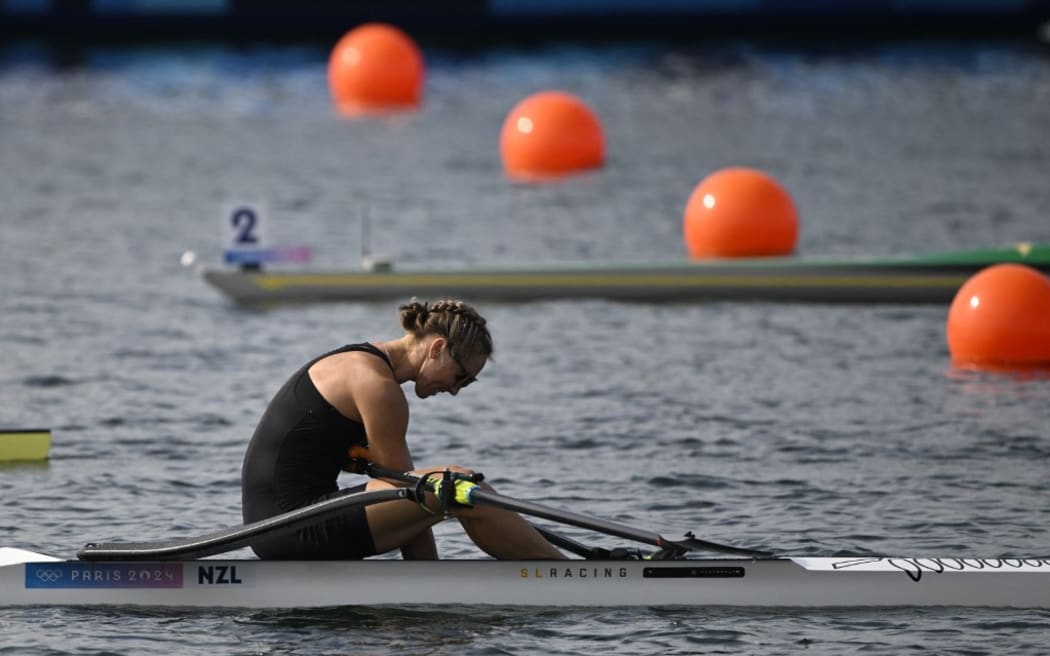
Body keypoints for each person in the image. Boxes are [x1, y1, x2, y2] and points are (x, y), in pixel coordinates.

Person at [241, 298, 565, 561]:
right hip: (291, 527)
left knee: (447, 487)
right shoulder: (378, 387)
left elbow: (406, 494)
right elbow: (408, 491)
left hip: (275, 523)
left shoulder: (361, 359)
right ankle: (564, 574)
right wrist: (425, 585)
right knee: (459, 485)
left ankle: (557, 570)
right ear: (437, 348)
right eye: (460, 377)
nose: (455, 390)